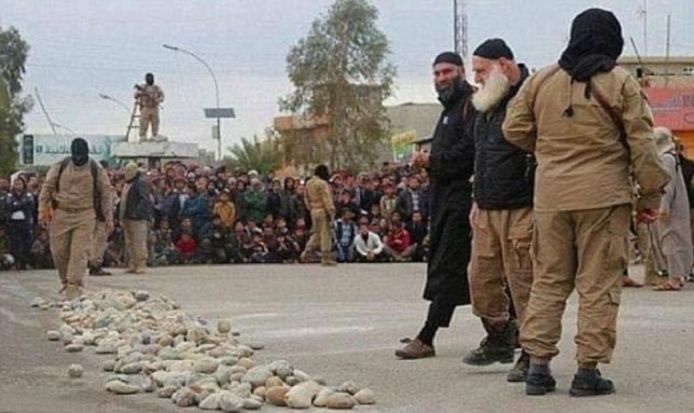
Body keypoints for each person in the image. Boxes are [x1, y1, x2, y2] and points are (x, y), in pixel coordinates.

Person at [503, 8, 669, 396]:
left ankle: (538, 368)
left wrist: (550, 154)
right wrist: (649, 195)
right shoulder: (620, 82)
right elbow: (643, 146)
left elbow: (513, 129)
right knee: (598, 284)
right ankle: (586, 371)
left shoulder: (542, 79)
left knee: (548, 280)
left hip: (551, 198)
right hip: (604, 197)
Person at [461, 38, 534, 382]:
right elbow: (482, 156)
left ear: (503, 65)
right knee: (480, 279)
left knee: (525, 282)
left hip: (523, 206)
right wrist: (477, 198)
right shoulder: (487, 102)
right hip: (487, 206)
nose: (475, 77)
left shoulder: (531, 95)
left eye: (480, 69)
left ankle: (534, 353)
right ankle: (499, 337)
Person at [395, 51, 476, 359]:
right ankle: (509, 328)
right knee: (469, 272)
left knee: (449, 268)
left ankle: (427, 336)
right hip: (444, 202)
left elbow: (468, 153)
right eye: (437, 73)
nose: (442, 78)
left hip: (463, 202)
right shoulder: (448, 111)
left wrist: (434, 160)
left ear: (461, 71)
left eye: (447, 72)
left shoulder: (472, 106)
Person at [38, 138, 114, 299]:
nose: (79, 159)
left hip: (85, 214)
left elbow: (106, 192)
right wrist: (41, 211)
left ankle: (74, 285)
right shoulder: (61, 165)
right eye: (76, 156)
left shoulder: (95, 168)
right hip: (62, 213)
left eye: (82, 156)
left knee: (79, 252)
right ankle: (65, 281)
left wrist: (109, 217)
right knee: (58, 251)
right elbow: (47, 188)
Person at [651, 127, 693, 291]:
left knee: (671, 240)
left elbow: (667, 186)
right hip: (674, 206)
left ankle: (674, 278)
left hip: (670, 207)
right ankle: (677, 276)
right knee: (673, 239)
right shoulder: (669, 157)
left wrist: (663, 207)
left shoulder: (667, 159)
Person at [120, 163, 153, 274]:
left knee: (139, 242)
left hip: (137, 218)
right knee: (129, 242)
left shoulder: (140, 183)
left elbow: (145, 200)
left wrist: (137, 212)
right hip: (127, 217)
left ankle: (141, 263)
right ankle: (132, 263)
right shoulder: (127, 184)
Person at [301, 165, 337, 266]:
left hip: (313, 210)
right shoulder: (322, 183)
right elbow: (326, 198)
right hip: (322, 210)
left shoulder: (309, 183)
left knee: (316, 233)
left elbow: (306, 198)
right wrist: (331, 211)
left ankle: (307, 251)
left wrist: (310, 208)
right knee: (325, 233)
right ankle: (326, 258)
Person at [3, 177, 36, 270]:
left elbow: (30, 205)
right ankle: (16, 262)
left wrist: (17, 205)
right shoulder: (9, 196)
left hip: (25, 222)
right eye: (16, 184)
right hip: (13, 223)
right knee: (15, 243)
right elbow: (8, 206)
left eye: (20, 184)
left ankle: (24, 262)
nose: (18, 186)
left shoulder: (28, 195)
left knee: (27, 243)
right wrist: (19, 205)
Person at [135, 72, 165, 141]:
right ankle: (143, 136)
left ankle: (155, 135)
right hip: (145, 107)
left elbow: (162, 96)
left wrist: (158, 100)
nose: (150, 79)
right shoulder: (143, 87)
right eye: (148, 78)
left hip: (154, 107)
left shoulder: (156, 88)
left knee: (155, 122)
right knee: (143, 122)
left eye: (151, 78)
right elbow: (135, 96)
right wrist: (141, 93)